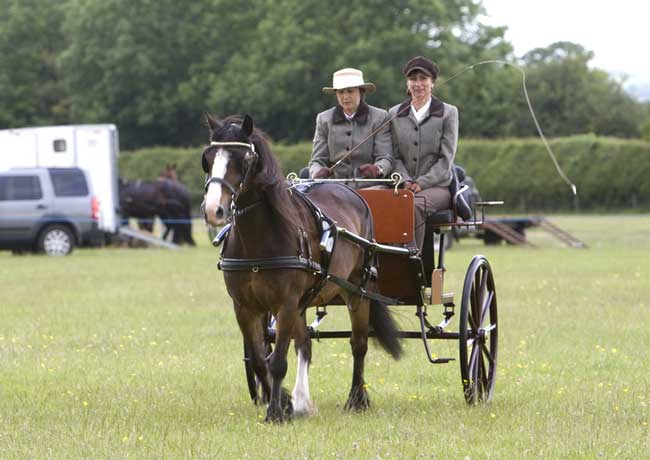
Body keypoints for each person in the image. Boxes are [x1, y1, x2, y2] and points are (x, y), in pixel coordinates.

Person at [389, 56, 459, 250]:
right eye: (413, 79)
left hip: (437, 187)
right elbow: (394, 156)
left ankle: (411, 259)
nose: (418, 84)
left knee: (413, 205)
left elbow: (446, 160)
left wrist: (422, 182)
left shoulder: (448, 113)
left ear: (432, 82)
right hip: (403, 185)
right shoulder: (394, 113)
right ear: (407, 83)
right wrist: (404, 180)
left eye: (423, 78)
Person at [308, 68, 393, 188]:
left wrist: (377, 169)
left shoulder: (380, 117)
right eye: (341, 92)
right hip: (334, 187)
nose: (345, 96)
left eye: (350, 91)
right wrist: (318, 172)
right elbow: (317, 160)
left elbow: (386, 157)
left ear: (361, 92)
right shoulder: (323, 119)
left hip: (370, 186)